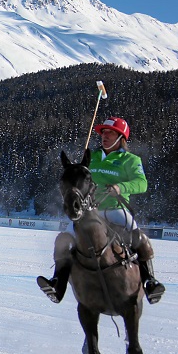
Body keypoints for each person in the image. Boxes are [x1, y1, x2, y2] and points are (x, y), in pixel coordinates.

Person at [37, 116, 165, 304]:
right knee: (63, 240)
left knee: (139, 237)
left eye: (110, 132)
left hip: (115, 209)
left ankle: (149, 282)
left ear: (121, 137)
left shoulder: (130, 160)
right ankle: (58, 284)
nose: (104, 136)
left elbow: (142, 183)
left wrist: (121, 188)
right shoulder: (91, 156)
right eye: (103, 132)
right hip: (89, 212)